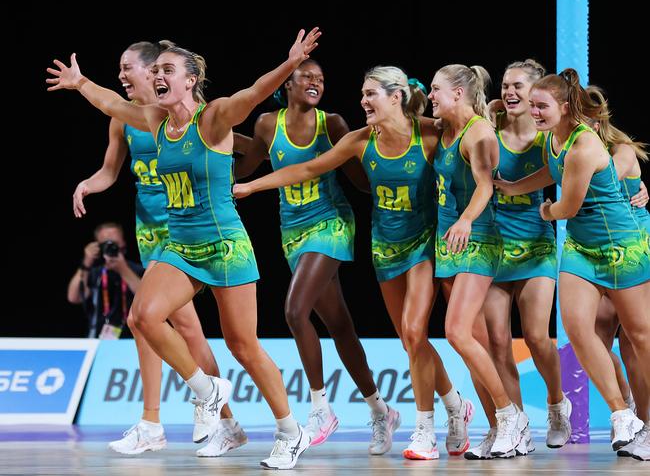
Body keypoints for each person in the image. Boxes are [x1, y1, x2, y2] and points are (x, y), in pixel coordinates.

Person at [48, 28, 321, 470]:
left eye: (167, 70)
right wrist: (81, 83)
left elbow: (253, 94)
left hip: (224, 246)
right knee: (142, 317)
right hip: (179, 245)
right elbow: (114, 104)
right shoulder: (156, 120)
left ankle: (292, 431)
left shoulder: (212, 119)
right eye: (155, 70)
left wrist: (290, 64)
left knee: (243, 346)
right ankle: (207, 390)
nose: (158, 76)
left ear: (190, 80)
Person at [234, 66, 474, 461]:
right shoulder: (358, 140)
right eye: (362, 94)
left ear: (396, 97)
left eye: (370, 94)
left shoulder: (429, 133)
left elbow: (471, 133)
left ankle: (422, 429)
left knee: (410, 329)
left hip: (420, 244)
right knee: (404, 338)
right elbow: (309, 167)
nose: (362, 101)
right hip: (382, 247)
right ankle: (450, 404)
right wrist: (251, 184)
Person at [71, 41, 245, 458]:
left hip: (185, 230)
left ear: (152, 71)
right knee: (151, 324)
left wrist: (238, 185)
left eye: (126, 67)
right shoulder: (126, 120)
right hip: (149, 230)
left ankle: (199, 418)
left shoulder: (187, 114)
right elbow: (110, 171)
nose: (121, 75)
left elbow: (232, 149)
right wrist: (88, 184)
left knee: (171, 326)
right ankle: (200, 421)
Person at [235, 58, 396, 453]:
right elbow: (250, 164)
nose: (315, 82)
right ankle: (381, 411)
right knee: (340, 326)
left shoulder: (334, 124)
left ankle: (320, 407)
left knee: (294, 310)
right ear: (286, 84)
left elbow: (360, 182)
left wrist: (384, 151)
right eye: (307, 76)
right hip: (292, 232)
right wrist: (211, 147)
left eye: (320, 79)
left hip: (332, 224)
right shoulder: (267, 125)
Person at [495, 69, 650, 461]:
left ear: (565, 108)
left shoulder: (585, 146)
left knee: (640, 337)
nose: (534, 112)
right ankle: (622, 415)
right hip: (581, 247)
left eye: (541, 106)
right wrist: (515, 187)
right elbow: (551, 171)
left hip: (620, 246)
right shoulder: (552, 139)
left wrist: (545, 210)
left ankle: (645, 420)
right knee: (580, 331)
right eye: (532, 105)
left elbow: (567, 206)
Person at [467, 59, 569, 460]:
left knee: (536, 336)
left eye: (519, 87)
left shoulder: (552, 138)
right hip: (494, 248)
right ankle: (517, 427)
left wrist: (637, 184)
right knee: (496, 342)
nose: (510, 92)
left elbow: (599, 157)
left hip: (538, 247)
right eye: (505, 85)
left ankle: (558, 406)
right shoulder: (489, 129)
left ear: (537, 94)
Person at [428, 64, 530, 459]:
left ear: (458, 93)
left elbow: (486, 185)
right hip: (448, 244)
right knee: (474, 343)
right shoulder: (445, 129)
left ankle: (511, 418)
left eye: (437, 89)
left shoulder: (480, 133)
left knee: (456, 332)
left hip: (478, 239)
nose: (433, 96)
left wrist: (466, 219)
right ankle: (496, 427)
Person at [585, 85, 649, 460]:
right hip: (600, 250)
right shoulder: (566, 147)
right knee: (593, 335)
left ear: (595, 121)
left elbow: (605, 179)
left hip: (635, 247)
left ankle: (644, 420)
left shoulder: (619, 152)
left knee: (633, 341)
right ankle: (626, 406)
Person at [67, 222, 144, 339]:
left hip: (133, 339)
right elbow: (74, 297)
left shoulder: (137, 270)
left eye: (115, 243)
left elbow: (146, 298)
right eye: (106, 244)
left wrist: (123, 270)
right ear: (98, 246)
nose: (110, 246)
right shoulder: (93, 272)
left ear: (123, 243)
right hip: (98, 339)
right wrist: (86, 263)